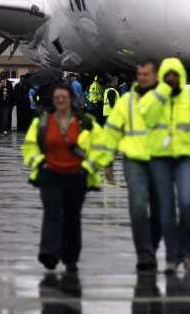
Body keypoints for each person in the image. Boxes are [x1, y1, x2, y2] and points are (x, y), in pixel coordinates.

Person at [91, 60, 163, 272]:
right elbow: (112, 131)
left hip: (161, 161)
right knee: (138, 206)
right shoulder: (126, 101)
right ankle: (144, 253)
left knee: (160, 210)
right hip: (134, 161)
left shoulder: (166, 100)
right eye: (139, 74)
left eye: (146, 74)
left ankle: (153, 244)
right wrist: (107, 161)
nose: (142, 78)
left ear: (156, 76)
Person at [22, 83, 100, 272]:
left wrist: (88, 166)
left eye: (64, 97)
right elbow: (30, 146)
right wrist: (40, 163)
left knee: (72, 217)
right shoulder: (42, 122)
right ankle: (49, 252)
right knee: (52, 212)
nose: (61, 100)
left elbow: (100, 147)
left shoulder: (85, 122)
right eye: (57, 97)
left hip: (76, 175)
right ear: (53, 100)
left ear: (71, 99)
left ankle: (70, 257)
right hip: (51, 173)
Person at [147, 58, 190, 274]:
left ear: (181, 77)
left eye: (175, 75)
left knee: (185, 205)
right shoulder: (155, 98)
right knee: (166, 211)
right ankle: (171, 256)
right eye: (167, 76)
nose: (171, 79)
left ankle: (187, 253)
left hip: (184, 158)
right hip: (161, 159)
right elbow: (145, 117)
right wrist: (161, 94)